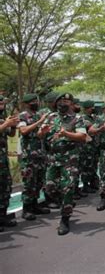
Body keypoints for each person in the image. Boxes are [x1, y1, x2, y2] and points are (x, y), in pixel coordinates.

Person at [39, 93, 87, 235]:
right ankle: (67, 202)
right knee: (49, 187)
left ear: (71, 104)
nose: (63, 103)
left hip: (69, 158)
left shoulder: (77, 119)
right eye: (61, 100)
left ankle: (65, 219)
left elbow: (82, 136)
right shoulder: (50, 117)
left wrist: (66, 134)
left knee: (67, 187)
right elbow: (40, 135)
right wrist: (42, 132)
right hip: (53, 157)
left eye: (66, 101)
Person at [18, 94, 51, 220]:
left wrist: (43, 131)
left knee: (38, 182)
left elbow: (39, 135)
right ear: (26, 103)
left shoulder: (38, 115)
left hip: (40, 155)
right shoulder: (23, 116)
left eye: (35, 101)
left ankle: (35, 205)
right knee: (29, 183)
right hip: (29, 156)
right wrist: (39, 122)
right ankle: (26, 209)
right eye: (32, 101)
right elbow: (23, 131)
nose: (35, 103)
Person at [0, 96, 19, 232]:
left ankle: (2, 216)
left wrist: (13, 126)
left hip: (3, 161)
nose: (2, 105)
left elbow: (11, 135)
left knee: (5, 189)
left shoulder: (2, 119)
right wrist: (6, 124)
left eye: (3, 103)